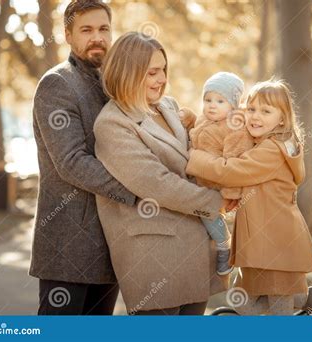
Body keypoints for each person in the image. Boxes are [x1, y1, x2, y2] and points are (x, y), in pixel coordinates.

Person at [93, 32, 231, 315]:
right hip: (154, 254)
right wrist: (217, 202)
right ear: (128, 72)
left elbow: (193, 156)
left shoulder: (167, 106)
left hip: (194, 247)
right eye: (152, 72)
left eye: (164, 70)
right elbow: (157, 184)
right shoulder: (112, 123)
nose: (162, 79)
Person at [30, 0, 135, 315]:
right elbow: (72, 162)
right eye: (86, 30)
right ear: (67, 35)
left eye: (103, 29)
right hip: (68, 249)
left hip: (110, 244)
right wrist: (137, 190)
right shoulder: (57, 84)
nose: (97, 38)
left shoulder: (113, 85)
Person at [186, 79, 312, 315]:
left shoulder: (272, 150)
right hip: (263, 244)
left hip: (275, 245)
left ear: (282, 118)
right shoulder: (267, 143)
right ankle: (302, 300)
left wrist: (194, 159)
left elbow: (231, 171)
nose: (255, 117)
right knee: (244, 302)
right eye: (251, 109)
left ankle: (300, 302)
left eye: (266, 111)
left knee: (277, 310)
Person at [181, 72, 254, 275]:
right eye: (208, 100)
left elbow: (234, 164)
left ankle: (224, 244)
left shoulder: (235, 129)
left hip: (215, 185)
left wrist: (231, 194)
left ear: (233, 105)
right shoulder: (206, 118)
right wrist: (189, 119)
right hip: (198, 179)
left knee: (209, 216)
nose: (212, 105)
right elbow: (197, 130)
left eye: (220, 101)